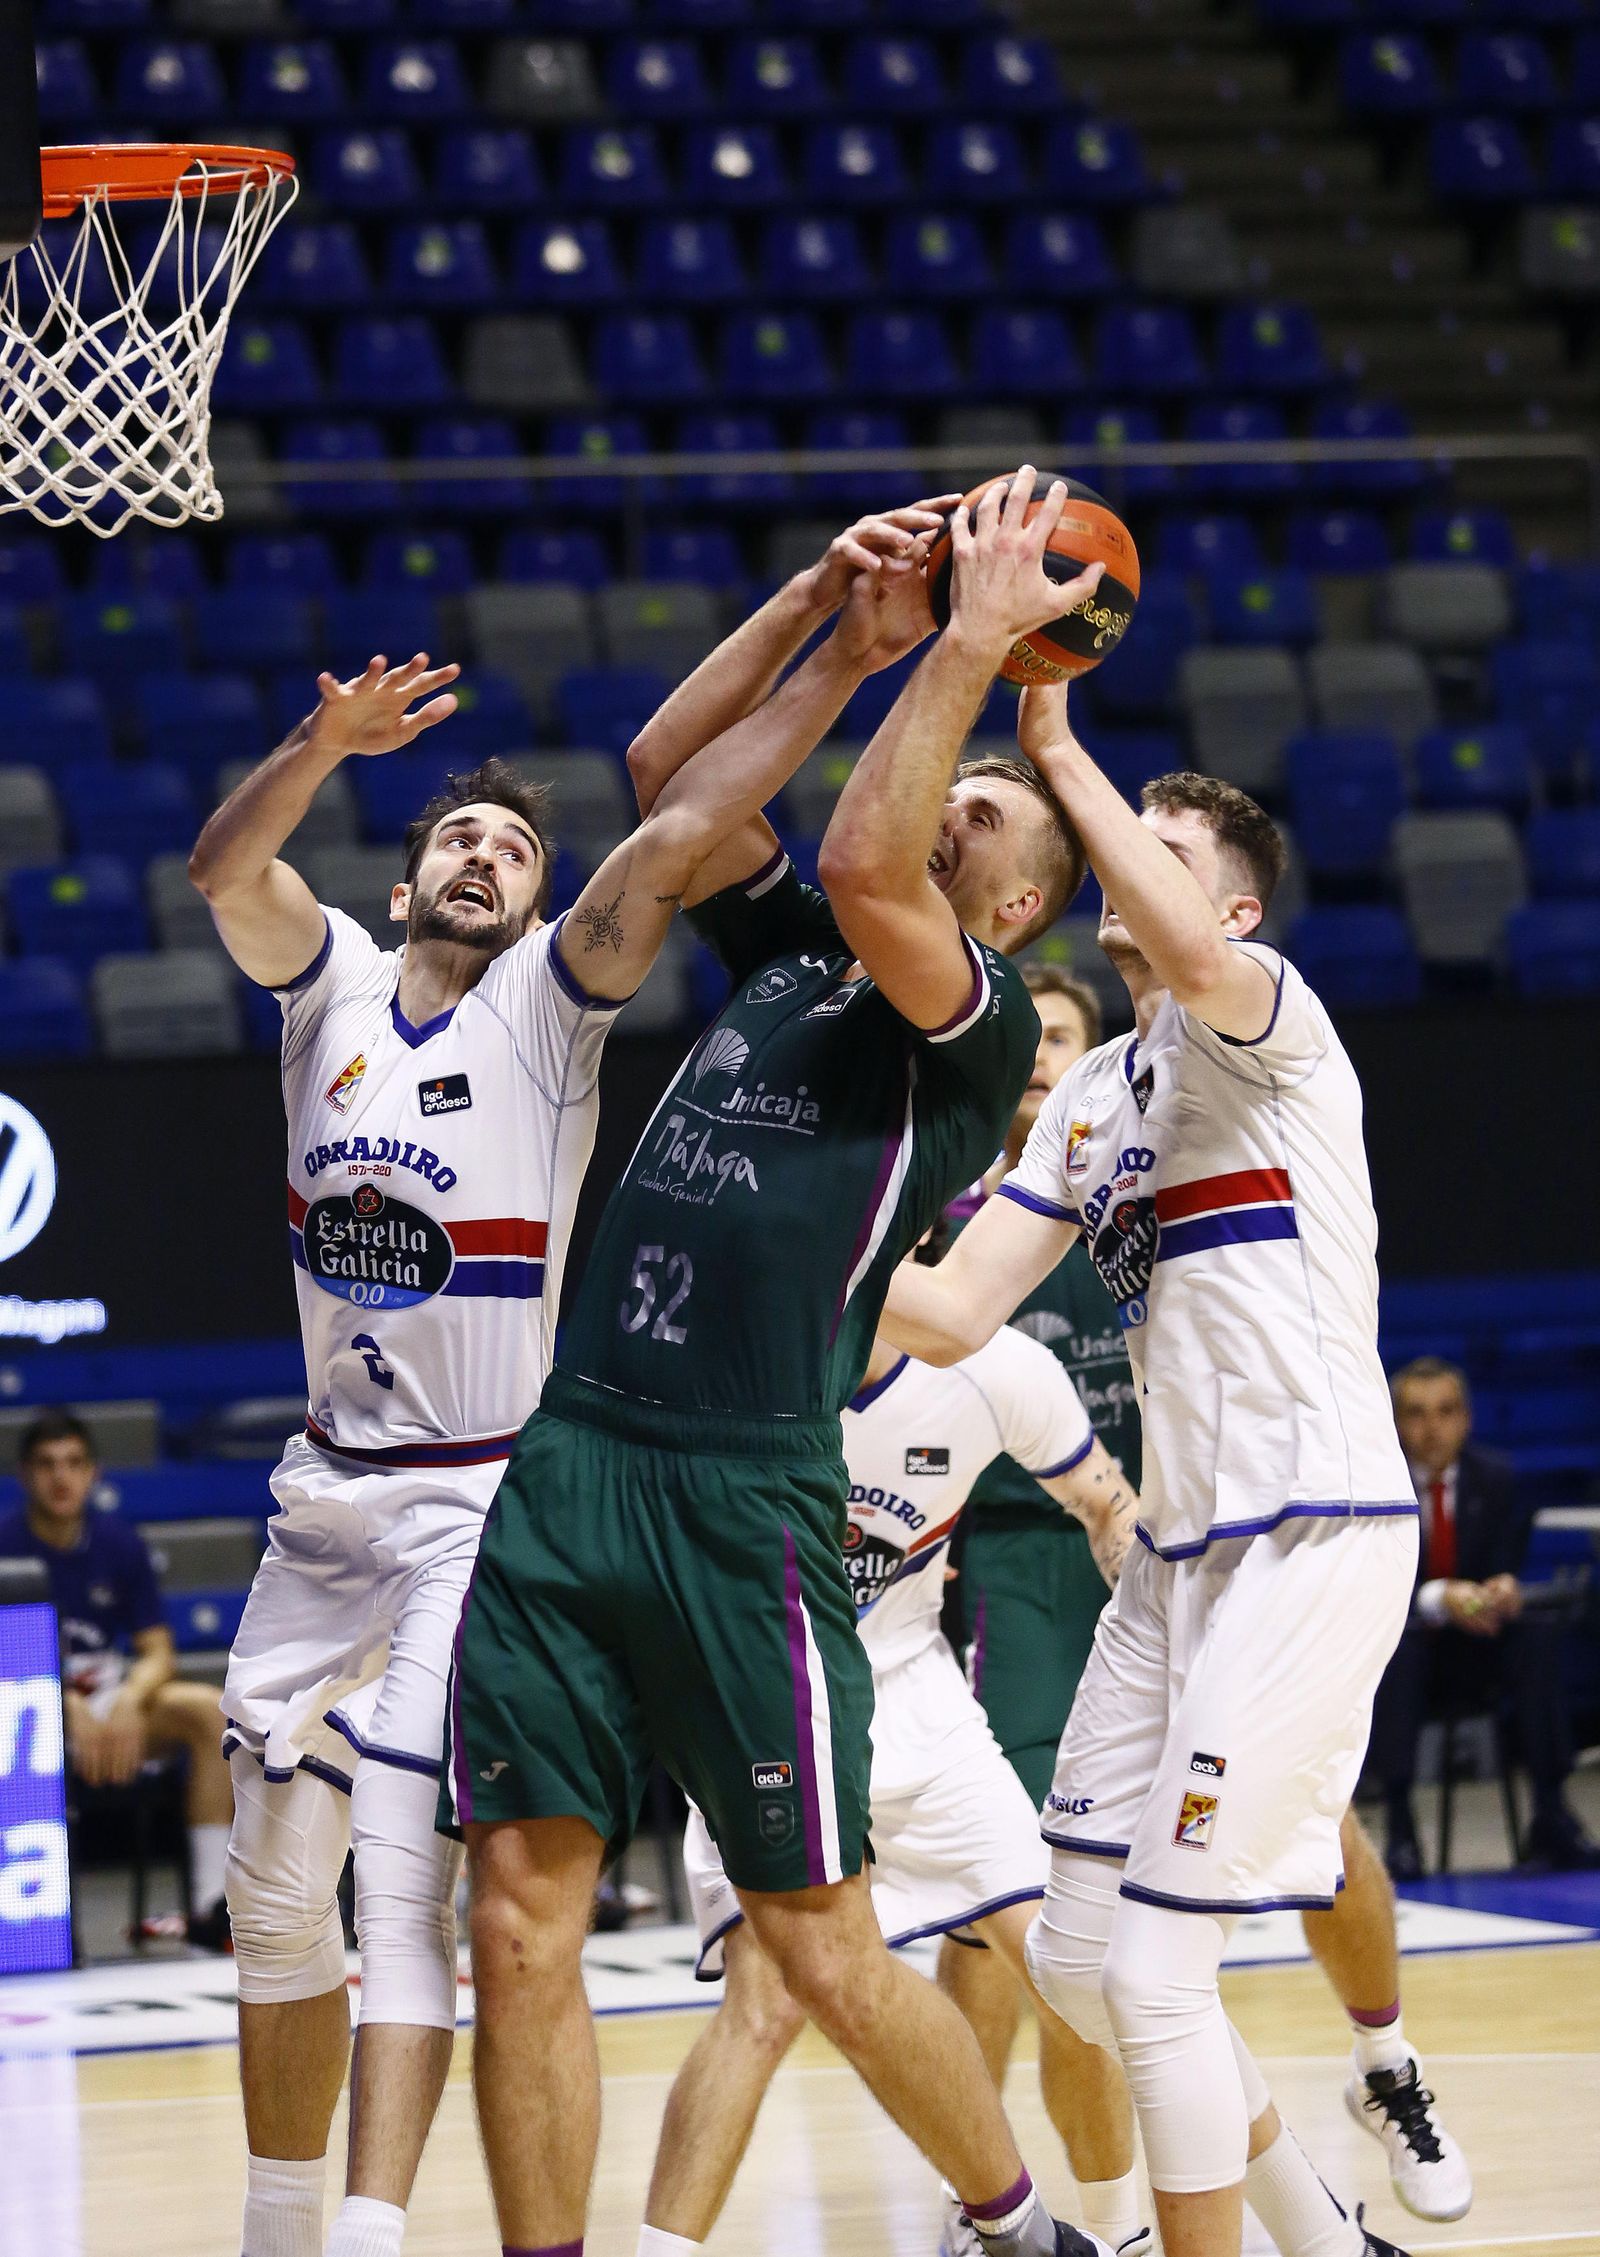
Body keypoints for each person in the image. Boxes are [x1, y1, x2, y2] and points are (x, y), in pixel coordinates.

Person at [189, 544, 935, 2257]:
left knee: (402, 1878)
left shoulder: (547, 1009)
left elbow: (675, 841)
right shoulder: (327, 995)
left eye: (516, 849)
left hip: (481, 1498)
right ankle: (278, 2226)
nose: (484, 853)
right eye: (459, 834)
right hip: (326, 1499)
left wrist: (834, 663)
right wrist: (321, 748)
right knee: (275, 1906)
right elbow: (226, 864)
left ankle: (368, 2234)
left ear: (539, 910)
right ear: (400, 885)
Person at [447, 473, 1124, 2257]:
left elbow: (860, 854)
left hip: (744, 1494)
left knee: (815, 1934)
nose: (948, 791)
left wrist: (973, 644)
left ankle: (1014, 2226)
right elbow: (673, 771)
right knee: (516, 1919)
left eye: (981, 797)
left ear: (1028, 894)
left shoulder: (964, 1027)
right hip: (577, 1448)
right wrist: (833, 612)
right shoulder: (807, 952)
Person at [883, 666, 1423, 2257]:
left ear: (1236, 910)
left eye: (1164, 853)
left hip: (1313, 1530)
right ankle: (1325, 2243)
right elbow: (961, 1306)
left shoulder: (1272, 1020)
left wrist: (1052, 738)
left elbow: (1182, 941)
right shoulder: (1096, 1096)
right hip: (1177, 1562)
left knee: (1156, 1976)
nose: (1128, 873)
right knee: (1078, 1960)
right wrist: (774, 1263)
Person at [945, 974, 1474, 2231]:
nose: (1040, 1062)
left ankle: (1384, 2058)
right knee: (1069, 1951)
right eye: (1029, 1047)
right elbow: (945, 1330)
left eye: (1060, 1036)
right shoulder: (1022, 1193)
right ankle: (1257, 2222)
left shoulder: (1237, 1080)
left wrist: (1065, 768)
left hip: (1282, 1537)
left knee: (1260, 1885)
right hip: (1107, 1559)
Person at [644, 1317, 1146, 2257]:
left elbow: (1105, 1502)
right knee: (765, 2001)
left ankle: (1118, 2238)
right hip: (767, 1690)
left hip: (913, 1689)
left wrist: (1146, 1591)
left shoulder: (997, 1370)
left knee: (1071, 1967)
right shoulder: (727, 1358)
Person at [0, 1408, 235, 1950]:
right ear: (24, 1475)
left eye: (74, 1463)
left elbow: (157, 1650)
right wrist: (59, 1702)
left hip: (104, 1703)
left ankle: (208, 1909)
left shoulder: (118, 1543)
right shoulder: (7, 1544)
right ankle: (36, 1928)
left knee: (206, 1709)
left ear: (94, 1473)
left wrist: (131, 1696)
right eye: (47, 1464)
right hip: (25, 1711)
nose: (61, 1477)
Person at [1369, 1356, 1599, 1879]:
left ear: (1467, 1418)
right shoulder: (1374, 1483)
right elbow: (1364, 1591)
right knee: (1394, 1652)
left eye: (1446, 1411)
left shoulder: (1493, 1477)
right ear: (1395, 1421)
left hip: (1478, 1647)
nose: (1432, 1428)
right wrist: (1436, 1598)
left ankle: (1551, 1811)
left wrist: (1502, 1589)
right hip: (1410, 1649)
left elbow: (1501, 1562)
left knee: (1536, 1637)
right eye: (1417, 1413)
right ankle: (1401, 1830)